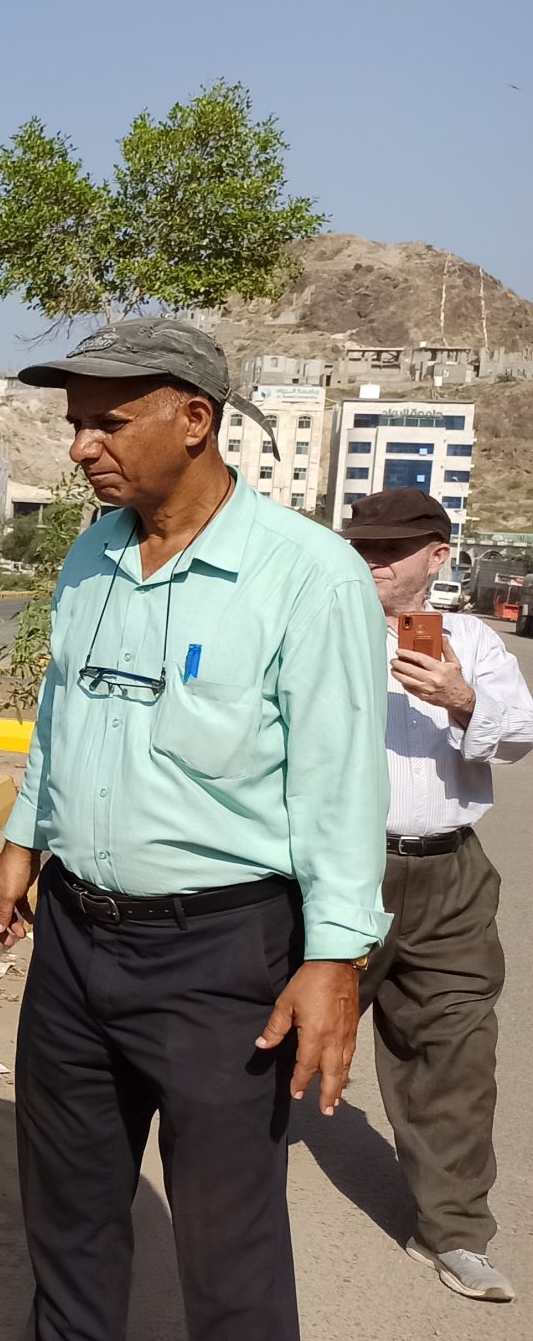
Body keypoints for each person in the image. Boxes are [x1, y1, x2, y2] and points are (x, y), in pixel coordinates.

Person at [0, 317, 389, 1341]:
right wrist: (24, 840)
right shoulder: (91, 557)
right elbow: (63, 715)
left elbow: (340, 781)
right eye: (76, 424)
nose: (80, 446)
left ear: (194, 420)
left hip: (222, 961)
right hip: (74, 945)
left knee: (228, 1252)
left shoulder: (307, 573)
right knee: (68, 1226)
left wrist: (334, 955)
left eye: (106, 422)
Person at [340, 487, 531, 1303]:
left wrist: (461, 700)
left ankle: (454, 1231)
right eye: (363, 546)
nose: (375, 561)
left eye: (392, 549)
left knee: (455, 1052)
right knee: (268, 1028)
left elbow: (521, 732)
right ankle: (220, 1195)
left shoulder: (476, 643)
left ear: (438, 557)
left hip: (450, 874)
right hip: (340, 866)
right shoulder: (322, 632)